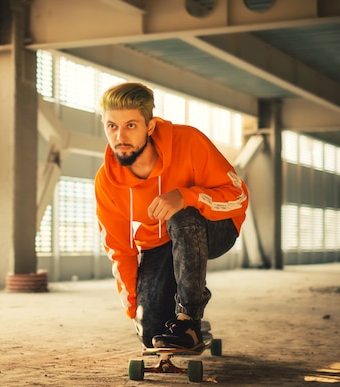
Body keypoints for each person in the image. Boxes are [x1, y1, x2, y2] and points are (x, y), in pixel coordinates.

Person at [94, 82, 249, 350]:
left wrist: (188, 196)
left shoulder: (189, 141)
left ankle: (189, 318)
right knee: (151, 334)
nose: (120, 135)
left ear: (150, 127)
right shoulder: (107, 182)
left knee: (181, 215)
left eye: (131, 125)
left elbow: (238, 196)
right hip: (161, 241)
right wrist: (136, 307)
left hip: (215, 228)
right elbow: (119, 248)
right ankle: (175, 324)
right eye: (112, 126)